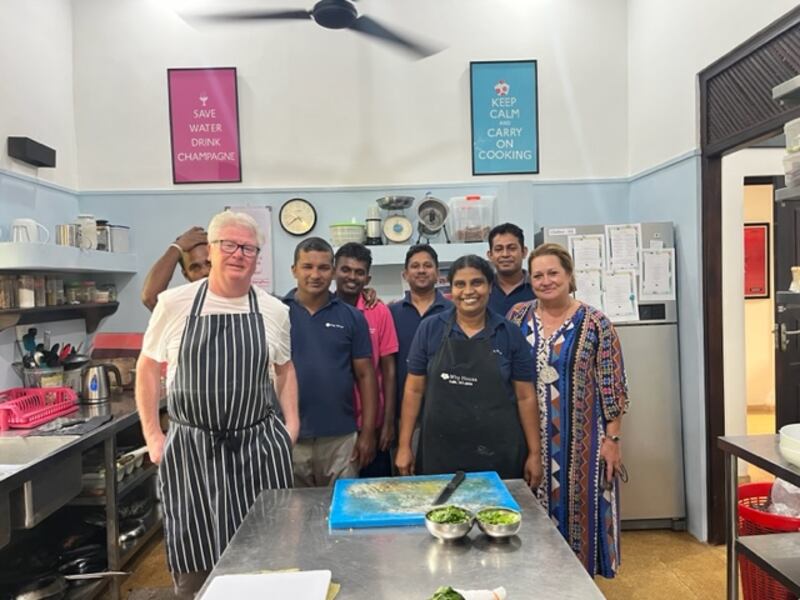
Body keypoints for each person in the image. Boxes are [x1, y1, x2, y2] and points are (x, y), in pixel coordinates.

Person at [135, 211, 299, 598]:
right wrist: (154, 435)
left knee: (269, 553)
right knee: (196, 557)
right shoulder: (174, 303)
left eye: (248, 247)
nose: (238, 254)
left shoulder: (274, 311)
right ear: (210, 250)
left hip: (259, 447)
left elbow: (285, 369)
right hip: (191, 449)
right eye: (228, 245)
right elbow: (147, 368)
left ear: (257, 256)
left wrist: (291, 426)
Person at [506, 243, 628, 579]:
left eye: (553, 273)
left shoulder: (595, 324)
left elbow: (612, 386)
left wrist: (612, 439)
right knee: (529, 516)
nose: (546, 281)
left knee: (581, 517)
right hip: (527, 438)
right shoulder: (517, 317)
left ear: (569, 275)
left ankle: (577, 585)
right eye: (538, 275)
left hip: (583, 446)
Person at [395, 254, 543, 486]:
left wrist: (535, 453)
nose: (468, 291)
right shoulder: (430, 329)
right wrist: (404, 446)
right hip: (440, 450)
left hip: (499, 452)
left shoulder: (509, 333)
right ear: (450, 289)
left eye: (477, 282)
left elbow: (525, 396)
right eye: (460, 284)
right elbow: (414, 390)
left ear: (490, 287)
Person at [285, 237, 378, 487]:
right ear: (294, 270)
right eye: (307, 266)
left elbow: (366, 376)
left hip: (341, 438)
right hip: (290, 436)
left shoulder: (352, 317)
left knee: (343, 513)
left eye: (324, 267)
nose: (315, 274)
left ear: (333, 270)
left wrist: (367, 432)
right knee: (293, 516)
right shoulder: (277, 313)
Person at [334, 242, 399, 477]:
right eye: (345, 270)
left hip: (373, 422)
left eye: (359, 272)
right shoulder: (324, 309)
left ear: (368, 278)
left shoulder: (379, 311)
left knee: (376, 494)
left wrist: (388, 423)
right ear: (334, 270)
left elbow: (389, 371)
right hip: (337, 425)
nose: (352, 277)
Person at [388, 245, 451, 431]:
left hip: (447, 412)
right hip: (403, 414)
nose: (421, 270)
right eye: (415, 266)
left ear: (437, 273)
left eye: (427, 265)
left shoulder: (454, 312)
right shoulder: (391, 313)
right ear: (405, 274)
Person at [141, 226, 211, 311]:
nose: (205, 272)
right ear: (186, 275)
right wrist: (177, 246)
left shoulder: (231, 297)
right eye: (195, 268)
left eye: (210, 263)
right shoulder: (184, 304)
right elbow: (150, 298)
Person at [486, 223, 534, 316]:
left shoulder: (539, 286)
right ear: (490, 255)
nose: (505, 254)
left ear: (524, 252)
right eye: (498, 249)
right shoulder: (483, 289)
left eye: (512, 248)